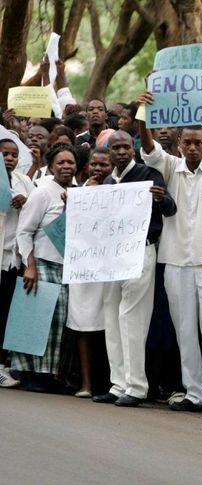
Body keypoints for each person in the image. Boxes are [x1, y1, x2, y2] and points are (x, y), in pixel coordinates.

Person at [138, 92, 202, 412]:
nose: (194, 147)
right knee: (185, 330)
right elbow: (149, 149)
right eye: (188, 143)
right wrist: (144, 114)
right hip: (176, 263)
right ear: (180, 144)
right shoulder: (170, 167)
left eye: (199, 142)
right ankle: (195, 393)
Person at [91, 131, 177, 408]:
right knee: (112, 316)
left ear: (133, 148)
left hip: (140, 250)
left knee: (132, 318)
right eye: (115, 147)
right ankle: (118, 384)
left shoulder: (149, 174)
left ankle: (137, 386)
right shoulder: (107, 180)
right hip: (112, 255)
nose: (121, 151)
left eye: (125, 146)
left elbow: (171, 209)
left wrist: (160, 198)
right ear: (108, 151)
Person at [14, 144, 76, 391]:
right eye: (60, 162)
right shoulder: (41, 192)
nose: (66, 166)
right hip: (40, 263)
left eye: (70, 162)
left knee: (58, 322)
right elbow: (24, 231)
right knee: (37, 321)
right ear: (50, 166)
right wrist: (30, 265)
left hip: (66, 266)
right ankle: (31, 375)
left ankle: (50, 374)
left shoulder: (77, 191)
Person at [65, 148, 112, 399]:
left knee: (108, 326)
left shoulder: (120, 191)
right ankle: (86, 383)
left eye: (103, 165)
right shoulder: (78, 193)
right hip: (82, 268)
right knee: (83, 325)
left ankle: (106, 383)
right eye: (93, 164)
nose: (97, 169)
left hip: (109, 269)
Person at [0, 139, 34, 388]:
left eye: (13, 155)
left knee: (6, 312)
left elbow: (36, 207)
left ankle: (2, 364)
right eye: (4, 154)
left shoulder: (23, 181)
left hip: (12, 258)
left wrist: (25, 202)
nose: (10, 159)